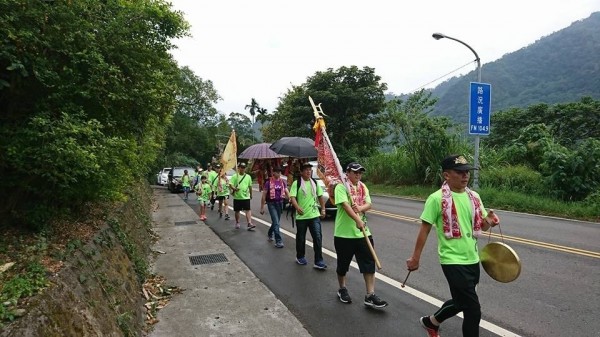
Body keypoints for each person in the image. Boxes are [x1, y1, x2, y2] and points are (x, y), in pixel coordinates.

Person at [406, 155, 500, 337]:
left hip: (472, 259)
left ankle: (430, 322)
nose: (465, 176)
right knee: (473, 309)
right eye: (460, 172)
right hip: (452, 260)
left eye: (467, 172)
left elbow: (481, 226)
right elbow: (424, 230)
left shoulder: (474, 197)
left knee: (460, 302)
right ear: (446, 175)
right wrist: (415, 258)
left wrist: (489, 221)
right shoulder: (436, 199)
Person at [333, 162, 388, 309]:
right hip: (344, 234)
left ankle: (370, 295)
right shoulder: (341, 187)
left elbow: (369, 204)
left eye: (360, 173)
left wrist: (360, 208)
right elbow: (345, 205)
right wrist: (357, 219)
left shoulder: (362, 187)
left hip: (363, 233)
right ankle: (342, 288)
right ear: (347, 173)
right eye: (355, 172)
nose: (358, 175)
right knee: (343, 265)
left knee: (369, 263)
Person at [289, 162, 327, 269]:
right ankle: (300, 256)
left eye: (310, 170)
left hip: (314, 215)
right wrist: (297, 207)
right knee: (301, 238)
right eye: (306, 170)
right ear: (301, 172)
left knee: (318, 237)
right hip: (302, 217)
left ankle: (318, 260)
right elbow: (292, 197)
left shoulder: (314, 183)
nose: (308, 172)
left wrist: (323, 209)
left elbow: (320, 196)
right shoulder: (296, 184)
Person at [260, 166, 289, 248]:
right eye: (277, 172)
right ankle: (278, 241)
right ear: (274, 173)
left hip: (280, 203)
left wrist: (290, 198)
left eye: (280, 172)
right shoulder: (268, 183)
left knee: (276, 222)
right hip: (271, 204)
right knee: (276, 222)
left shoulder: (282, 182)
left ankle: (270, 233)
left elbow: (286, 191)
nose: (279, 173)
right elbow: (264, 195)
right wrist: (262, 207)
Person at [229, 162, 254, 230]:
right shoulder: (235, 176)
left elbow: (250, 186)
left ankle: (249, 223)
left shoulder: (248, 176)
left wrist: (251, 194)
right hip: (237, 197)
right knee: (237, 211)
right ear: (239, 168)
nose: (242, 169)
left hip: (246, 196)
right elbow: (230, 184)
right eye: (241, 167)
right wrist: (234, 188)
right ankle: (237, 222)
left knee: (248, 209)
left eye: (244, 167)